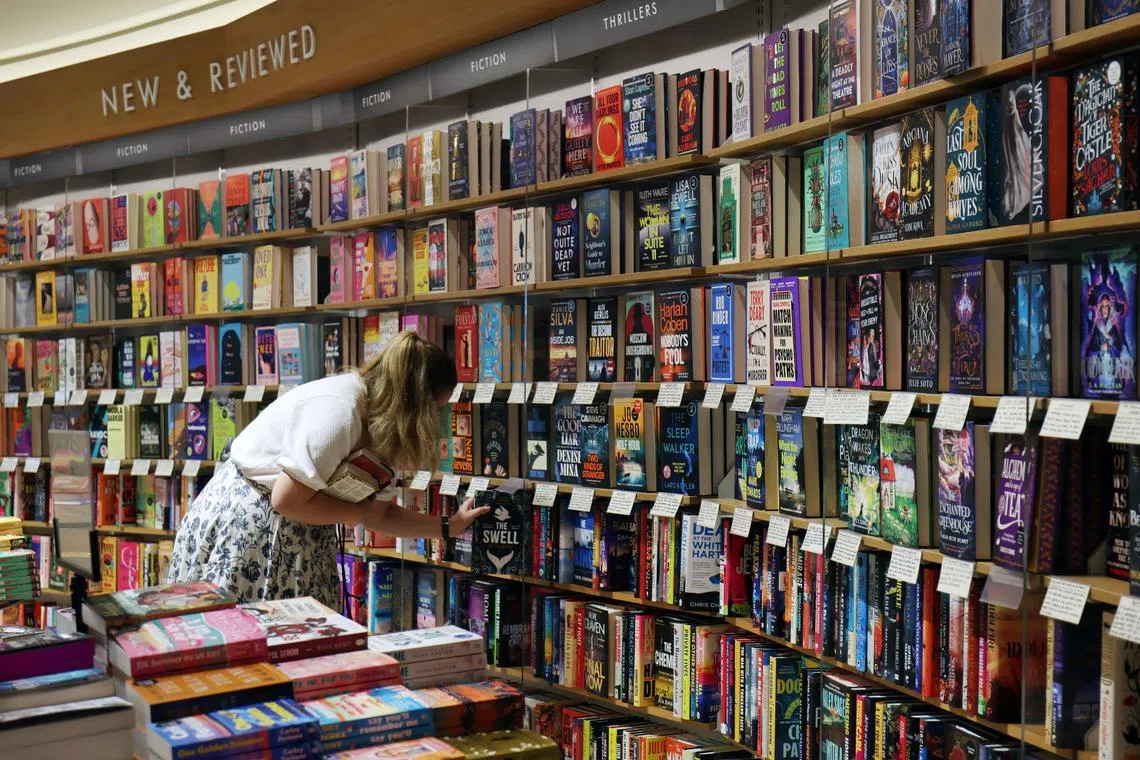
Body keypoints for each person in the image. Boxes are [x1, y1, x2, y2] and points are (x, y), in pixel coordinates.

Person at [166, 330, 489, 606]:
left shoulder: (382, 423)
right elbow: (286, 500)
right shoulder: (340, 412)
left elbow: (379, 515)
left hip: (297, 529)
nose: (435, 422)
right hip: (250, 524)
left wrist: (449, 526)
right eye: (434, 410)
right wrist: (354, 512)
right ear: (412, 403)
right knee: (245, 634)